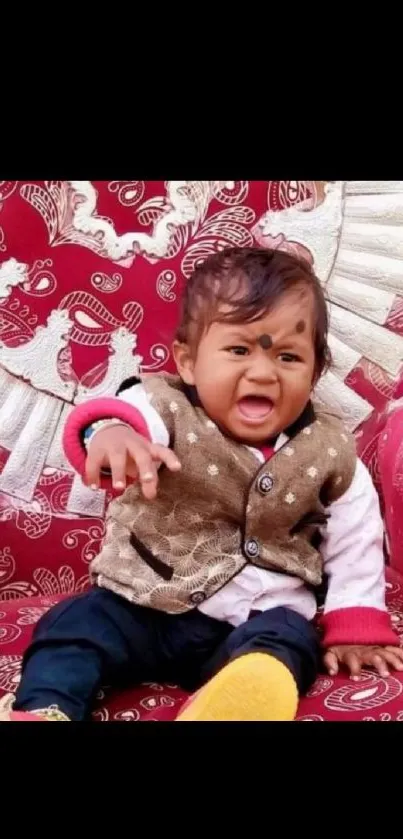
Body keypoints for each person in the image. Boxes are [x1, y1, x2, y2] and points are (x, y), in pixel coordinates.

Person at [5, 247, 403, 722]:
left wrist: (355, 621)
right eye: (239, 350)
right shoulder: (166, 404)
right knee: (76, 624)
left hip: (257, 615)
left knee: (290, 641)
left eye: (289, 357)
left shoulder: (331, 450)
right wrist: (114, 436)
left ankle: (240, 700)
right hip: (143, 602)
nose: (262, 372)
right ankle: (47, 708)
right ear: (189, 362)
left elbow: (356, 536)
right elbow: (124, 417)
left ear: (314, 373)